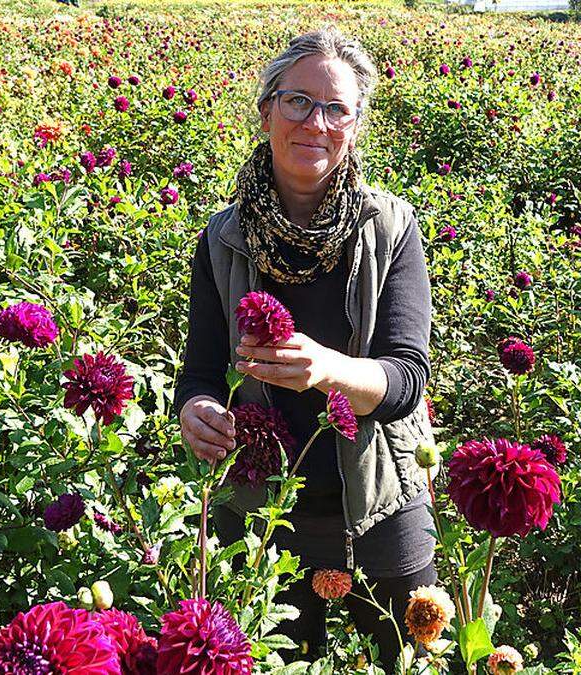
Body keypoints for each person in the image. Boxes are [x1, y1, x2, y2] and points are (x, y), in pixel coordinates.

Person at [171, 27, 437, 671]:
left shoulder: (391, 228)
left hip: (378, 494)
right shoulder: (223, 238)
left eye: (335, 108)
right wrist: (196, 413)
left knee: (408, 659)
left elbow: (406, 380)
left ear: (355, 125)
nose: (314, 121)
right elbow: (202, 368)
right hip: (260, 507)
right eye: (297, 101)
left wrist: (328, 369)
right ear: (266, 114)